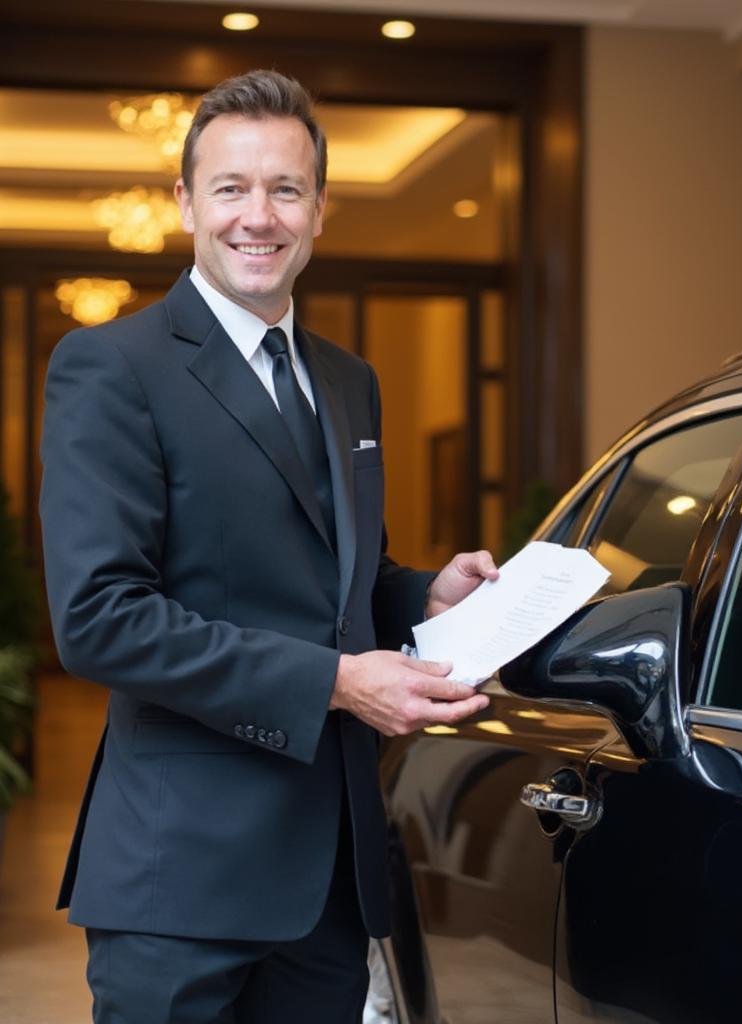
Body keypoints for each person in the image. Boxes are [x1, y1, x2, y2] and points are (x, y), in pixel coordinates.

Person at [39, 69, 495, 1024]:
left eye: (285, 189)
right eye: (231, 188)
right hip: (182, 881)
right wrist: (336, 681)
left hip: (326, 877)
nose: (260, 216)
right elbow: (98, 621)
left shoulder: (347, 379)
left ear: (320, 210)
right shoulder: (111, 367)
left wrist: (424, 598)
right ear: (185, 204)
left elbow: (344, 584)